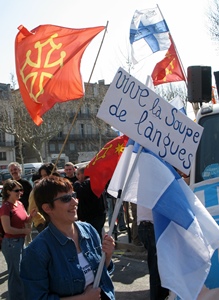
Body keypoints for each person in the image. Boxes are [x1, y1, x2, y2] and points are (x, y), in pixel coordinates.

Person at [20, 176, 115, 300]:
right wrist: (83, 298)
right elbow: (37, 297)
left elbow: (102, 273)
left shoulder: (89, 230)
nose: (75, 202)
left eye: (74, 195)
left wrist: (107, 257)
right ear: (47, 208)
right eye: (66, 199)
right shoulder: (36, 251)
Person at [0, 179, 36, 300]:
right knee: (15, 274)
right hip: (11, 244)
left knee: (21, 272)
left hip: (20, 242)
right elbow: (7, 229)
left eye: (21, 190)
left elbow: (26, 220)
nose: (20, 192)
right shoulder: (5, 207)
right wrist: (23, 231)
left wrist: (31, 216)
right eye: (16, 190)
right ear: (8, 191)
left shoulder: (19, 204)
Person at [137, 204, 169, 300]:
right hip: (151, 226)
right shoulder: (150, 188)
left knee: (158, 268)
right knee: (157, 270)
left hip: (148, 225)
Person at [74, 167, 107, 240]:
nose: (77, 177)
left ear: (83, 174)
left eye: (78, 174)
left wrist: (76, 184)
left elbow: (79, 192)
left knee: (94, 236)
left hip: (93, 215)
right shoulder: (94, 181)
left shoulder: (88, 182)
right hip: (97, 214)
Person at [28, 163, 60, 232]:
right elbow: (32, 208)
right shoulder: (37, 190)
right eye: (42, 176)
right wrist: (42, 221)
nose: (43, 178)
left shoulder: (58, 188)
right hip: (43, 224)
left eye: (46, 175)